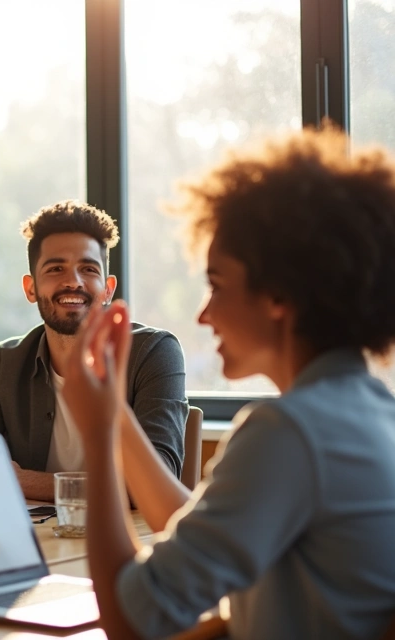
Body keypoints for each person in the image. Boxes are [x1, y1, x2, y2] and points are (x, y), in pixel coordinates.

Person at [62, 128, 395, 639]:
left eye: (216, 285)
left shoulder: (287, 432)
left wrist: (99, 431)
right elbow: (196, 524)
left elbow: (130, 621)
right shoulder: (371, 411)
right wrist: (117, 414)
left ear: (278, 295)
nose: (204, 314)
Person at [0, 200, 187, 501]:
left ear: (108, 288)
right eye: (56, 268)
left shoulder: (153, 354)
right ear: (31, 288)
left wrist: (21, 481)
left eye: (88, 269)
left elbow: (155, 485)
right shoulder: (2, 365)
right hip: (36, 531)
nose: (73, 281)